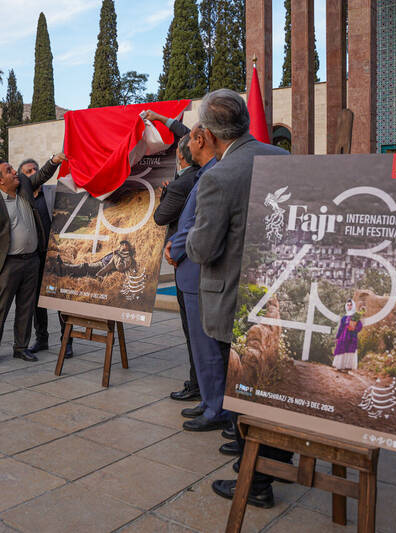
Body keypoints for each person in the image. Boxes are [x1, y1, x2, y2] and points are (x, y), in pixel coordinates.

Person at [185, 89, 290, 508]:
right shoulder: (282, 159)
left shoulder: (218, 176)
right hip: (281, 293)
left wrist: (190, 236)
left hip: (235, 300)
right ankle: (275, 459)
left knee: (249, 390)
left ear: (207, 135)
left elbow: (204, 248)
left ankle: (257, 480)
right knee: (272, 388)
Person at [165, 124, 229, 433]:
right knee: (202, 347)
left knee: (208, 347)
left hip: (198, 269)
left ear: (200, 140)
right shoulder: (205, 172)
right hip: (192, 273)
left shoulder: (213, 173)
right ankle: (208, 399)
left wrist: (175, 249)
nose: (186, 145)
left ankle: (216, 406)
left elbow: (196, 226)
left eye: (190, 139)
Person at [0, 153, 65, 365]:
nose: (14, 172)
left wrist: (54, 160)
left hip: (32, 261)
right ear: (0, 180)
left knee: (26, 307)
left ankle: (21, 347)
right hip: (9, 263)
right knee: (0, 307)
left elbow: (43, 175)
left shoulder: (25, 186)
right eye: (9, 171)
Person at [146, 111, 202, 404]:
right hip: (201, 262)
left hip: (186, 261)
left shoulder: (182, 183)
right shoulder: (203, 172)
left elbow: (160, 217)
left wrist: (166, 196)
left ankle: (198, 384)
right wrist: (160, 118)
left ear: (181, 158)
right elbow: (187, 132)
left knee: (193, 331)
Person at [19, 159, 71, 356]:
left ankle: (67, 342)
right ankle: (41, 339)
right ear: (22, 177)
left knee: (60, 300)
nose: (33, 173)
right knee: (36, 302)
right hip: (33, 257)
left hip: (56, 256)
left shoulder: (53, 191)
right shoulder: (21, 196)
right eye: (28, 171)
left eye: (35, 169)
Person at [53, 241, 138, 279]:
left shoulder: (128, 258)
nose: (122, 245)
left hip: (103, 267)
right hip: (101, 263)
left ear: (128, 248)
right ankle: (63, 271)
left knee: (85, 267)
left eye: (124, 244)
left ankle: (63, 267)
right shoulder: (117, 252)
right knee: (84, 271)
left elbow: (120, 267)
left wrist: (116, 255)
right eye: (121, 244)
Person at [333, 299, 363, 372]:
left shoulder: (356, 316)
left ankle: (347, 367)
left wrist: (354, 328)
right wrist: (337, 337)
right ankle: (339, 366)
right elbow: (341, 328)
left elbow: (360, 326)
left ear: (353, 306)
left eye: (351, 305)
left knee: (349, 350)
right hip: (343, 337)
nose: (349, 307)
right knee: (341, 349)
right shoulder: (344, 317)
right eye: (348, 305)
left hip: (352, 337)